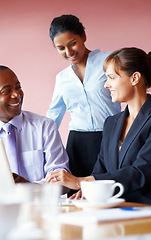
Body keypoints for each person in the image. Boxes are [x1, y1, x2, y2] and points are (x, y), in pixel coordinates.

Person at [46, 47, 151, 205]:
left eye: (111, 78)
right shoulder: (111, 123)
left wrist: (80, 182)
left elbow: (140, 172)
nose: (106, 85)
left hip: (149, 207)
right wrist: (89, 190)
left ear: (135, 78)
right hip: (114, 208)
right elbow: (99, 171)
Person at [0, 65, 70, 183]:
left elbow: (63, 180)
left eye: (18, 87)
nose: (16, 95)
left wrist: (31, 188)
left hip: (39, 201)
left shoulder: (44, 127)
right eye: (6, 91)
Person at [47, 14, 121, 181]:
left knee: (112, 190)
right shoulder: (62, 78)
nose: (69, 52)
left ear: (84, 36)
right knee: (78, 198)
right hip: (78, 144)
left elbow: (132, 93)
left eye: (73, 43)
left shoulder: (109, 61)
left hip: (110, 137)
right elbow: (53, 117)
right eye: (61, 48)